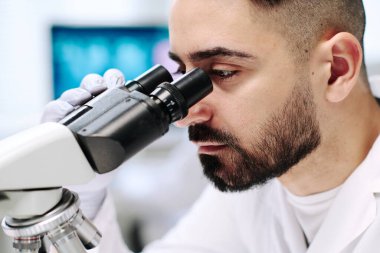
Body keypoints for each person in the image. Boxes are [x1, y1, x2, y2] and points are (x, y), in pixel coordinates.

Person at [43, 0, 380, 252]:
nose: (186, 116)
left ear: (336, 69)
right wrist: (79, 200)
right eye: (182, 74)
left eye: (223, 72)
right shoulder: (258, 182)